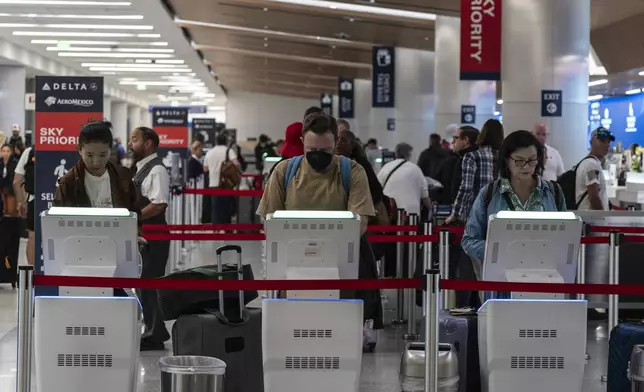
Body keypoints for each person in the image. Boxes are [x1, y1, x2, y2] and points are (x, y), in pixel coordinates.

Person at [257, 112, 382, 328]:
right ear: (302, 142)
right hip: (292, 270)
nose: (317, 155)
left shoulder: (352, 172)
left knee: (338, 332)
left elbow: (359, 223)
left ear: (336, 143)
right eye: (311, 150)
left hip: (341, 271)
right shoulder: (284, 171)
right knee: (293, 330)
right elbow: (269, 222)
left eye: (325, 150)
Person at [461, 130, 566, 298]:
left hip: (546, 283)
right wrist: (498, 252)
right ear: (506, 161)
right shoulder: (489, 194)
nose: (526, 167)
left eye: (531, 160)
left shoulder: (553, 192)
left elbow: (565, 237)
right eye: (519, 161)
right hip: (501, 287)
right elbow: (469, 240)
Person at [128, 126, 171, 351]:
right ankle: (155, 330)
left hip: (155, 235)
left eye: (134, 140)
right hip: (146, 235)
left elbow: (159, 203)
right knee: (145, 285)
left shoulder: (156, 171)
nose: (130, 144)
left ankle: (155, 334)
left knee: (150, 284)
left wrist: (135, 218)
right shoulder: (141, 168)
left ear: (148, 143)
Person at [54, 121, 137, 209]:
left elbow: (135, 215)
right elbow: (59, 218)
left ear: (110, 149)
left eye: (103, 155)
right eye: (89, 155)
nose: (96, 162)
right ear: (79, 149)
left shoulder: (123, 176)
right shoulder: (68, 182)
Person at [447, 119, 504, 224]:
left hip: (476, 213)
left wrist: (455, 214)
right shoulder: (506, 158)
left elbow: (466, 188)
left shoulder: (472, 156)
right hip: (500, 213)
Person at [377, 142, 431, 218]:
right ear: (408, 154)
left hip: (389, 212)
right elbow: (425, 197)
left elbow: (377, 188)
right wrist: (431, 209)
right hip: (411, 215)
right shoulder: (416, 169)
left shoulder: (385, 168)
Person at [434, 126, 480, 205]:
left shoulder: (466, 161)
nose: (452, 142)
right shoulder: (458, 160)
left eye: (455, 138)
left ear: (466, 140)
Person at [203, 133, 240, 224]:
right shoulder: (229, 151)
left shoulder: (210, 152)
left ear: (216, 141)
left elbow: (205, 168)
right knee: (226, 207)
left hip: (213, 184)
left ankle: (216, 229)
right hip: (226, 184)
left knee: (215, 208)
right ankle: (226, 228)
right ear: (225, 141)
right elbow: (237, 164)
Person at [575, 127, 613, 211]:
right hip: (592, 220)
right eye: (602, 140)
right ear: (591, 142)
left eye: (608, 141)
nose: (606, 145)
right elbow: (593, 196)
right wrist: (602, 216)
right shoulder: (592, 165)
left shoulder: (589, 163)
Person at [13, 146, 34, 265]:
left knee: (33, 237)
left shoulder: (30, 151)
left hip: (35, 199)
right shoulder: (70, 144)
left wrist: (21, 202)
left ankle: (33, 275)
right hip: (61, 200)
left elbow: (17, 181)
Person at [0, 144, 18, 216]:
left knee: (11, 211)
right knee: (3, 210)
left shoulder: (15, 162)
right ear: (1, 152)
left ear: (11, 152)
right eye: (3, 151)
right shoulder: (0, 161)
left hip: (11, 188)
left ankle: (11, 225)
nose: (6, 153)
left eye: (8, 151)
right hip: (1, 188)